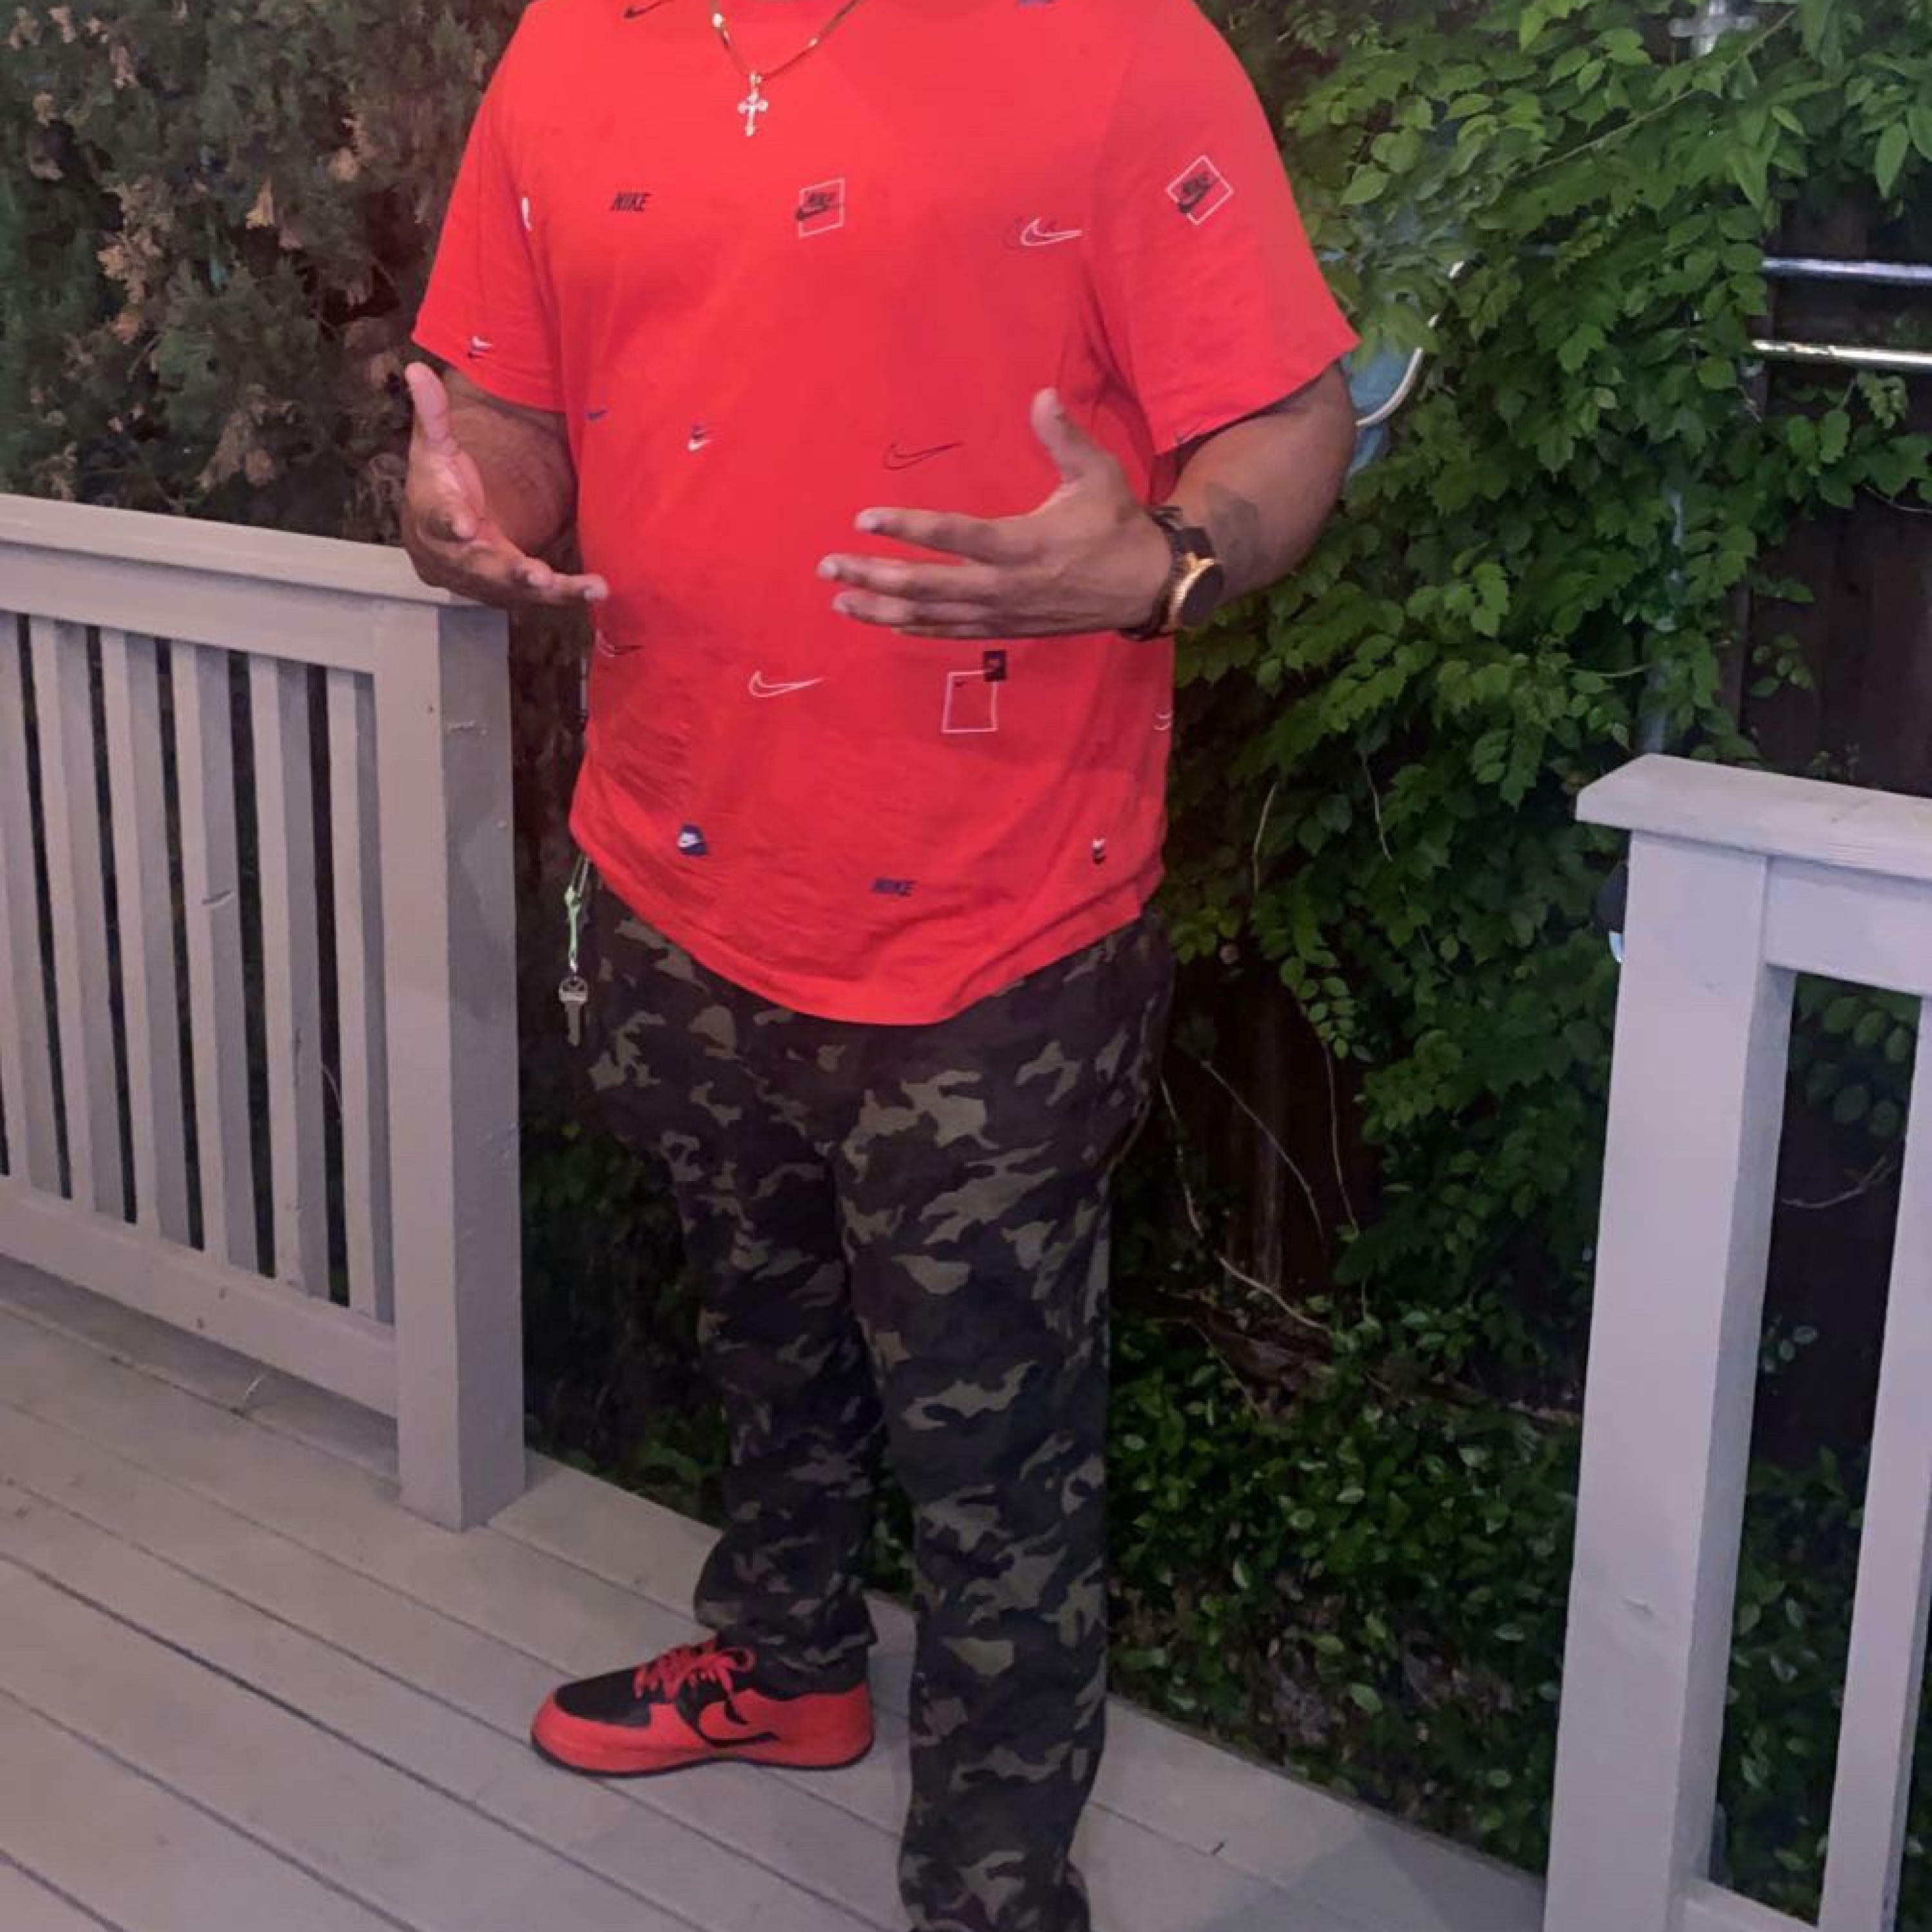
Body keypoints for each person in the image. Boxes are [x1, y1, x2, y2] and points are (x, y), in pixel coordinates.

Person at [402, 1, 1357, 1926]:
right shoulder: (573, 43)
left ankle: (992, 1878)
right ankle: (790, 1662)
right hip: (676, 870)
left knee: (995, 1448)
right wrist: (460, 512)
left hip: (995, 924)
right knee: (759, 1335)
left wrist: (1166, 558)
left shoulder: (1114, 43)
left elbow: (1289, 410)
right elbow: (504, 406)